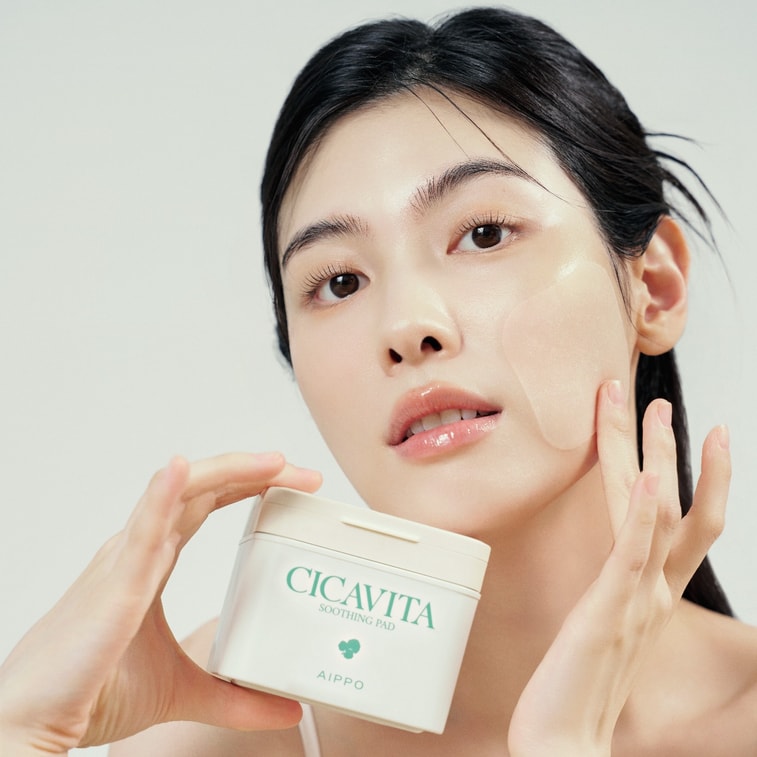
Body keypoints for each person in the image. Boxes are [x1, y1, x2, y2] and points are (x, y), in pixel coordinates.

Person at [0, 6, 753, 755]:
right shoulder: (222, 730)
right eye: (338, 282)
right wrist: (21, 727)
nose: (405, 326)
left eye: (483, 234)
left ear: (653, 288)